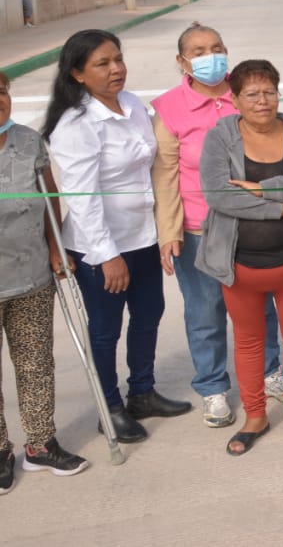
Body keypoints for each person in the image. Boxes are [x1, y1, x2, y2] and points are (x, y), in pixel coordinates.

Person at [44, 30, 191, 445]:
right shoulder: (75, 124)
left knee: (149, 316)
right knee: (107, 329)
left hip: (143, 236)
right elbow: (83, 197)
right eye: (103, 64)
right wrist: (107, 255)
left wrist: (163, 231)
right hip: (101, 247)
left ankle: (142, 392)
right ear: (77, 74)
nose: (117, 69)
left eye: (118, 59)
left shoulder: (130, 105)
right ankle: (109, 407)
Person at [151, 23, 283, 429]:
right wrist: (169, 231)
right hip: (198, 230)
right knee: (204, 311)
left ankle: (269, 370)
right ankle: (212, 387)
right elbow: (165, 174)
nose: (210, 56)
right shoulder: (169, 108)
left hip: (252, 225)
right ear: (182, 62)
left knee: (260, 307)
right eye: (198, 50)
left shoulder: (246, 94)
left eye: (217, 47)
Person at [197, 60, 283, 455]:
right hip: (239, 267)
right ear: (234, 99)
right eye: (252, 94)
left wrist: (262, 188)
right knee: (250, 341)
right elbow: (218, 195)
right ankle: (254, 414)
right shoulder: (220, 137)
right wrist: (281, 207)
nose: (263, 101)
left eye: (269, 91)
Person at [0, 71, 89, 492]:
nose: (0, 100)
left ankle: (40, 444)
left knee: (36, 363)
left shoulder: (27, 141)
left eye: (2, 92)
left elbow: (50, 198)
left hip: (32, 274)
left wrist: (56, 248)